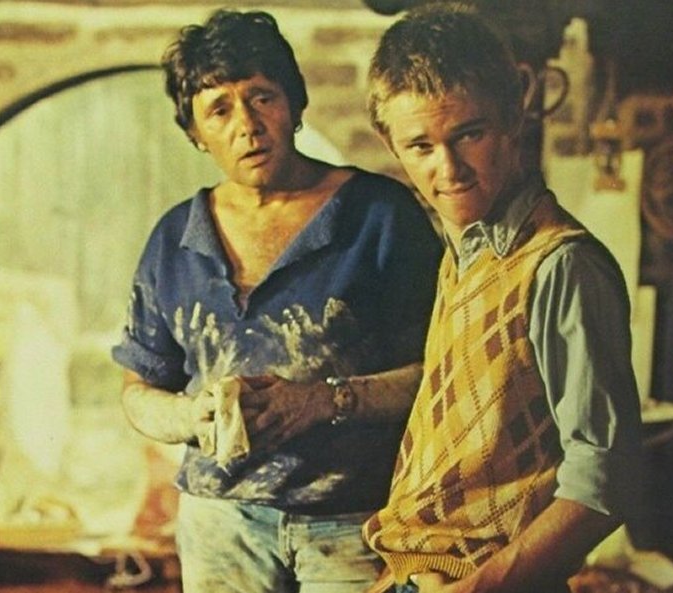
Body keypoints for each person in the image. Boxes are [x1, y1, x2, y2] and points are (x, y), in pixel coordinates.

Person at [110, 9, 443, 593]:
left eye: (262, 97)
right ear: (195, 133)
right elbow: (138, 390)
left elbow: (438, 375)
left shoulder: (379, 216)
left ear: (294, 104)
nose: (247, 125)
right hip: (220, 524)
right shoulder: (175, 239)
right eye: (219, 109)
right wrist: (191, 417)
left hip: (355, 519)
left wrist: (321, 401)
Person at [361, 4, 644, 592]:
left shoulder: (561, 264)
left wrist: (477, 588)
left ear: (516, 111)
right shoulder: (463, 252)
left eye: (470, 134)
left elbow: (604, 481)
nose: (449, 169)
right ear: (390, 144)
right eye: (421, 146)